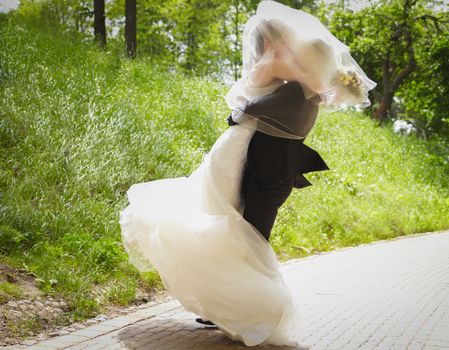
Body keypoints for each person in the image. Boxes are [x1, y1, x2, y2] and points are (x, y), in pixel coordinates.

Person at [119, 1, 376, 347]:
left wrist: (337, 82)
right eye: (287, 35)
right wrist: (335, 77)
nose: (294, 41)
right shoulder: (277, 63)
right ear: (273, 40)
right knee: (236, 225)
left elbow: (312, 91)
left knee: (235, 224)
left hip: (252, 147)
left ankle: (228, 304)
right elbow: (315, 83)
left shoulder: (284, 68)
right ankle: (242, 307)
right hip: (250, 149)